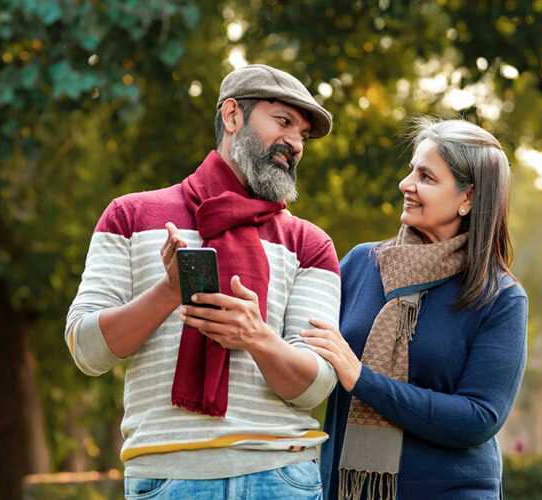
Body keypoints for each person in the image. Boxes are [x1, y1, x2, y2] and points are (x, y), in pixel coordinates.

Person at [65, 64, 340, 499]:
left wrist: (256, 337)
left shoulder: (309, 243)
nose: (295, 143)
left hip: (282, 477)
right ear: (233, 117)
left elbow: (316, 387)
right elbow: (87, 350)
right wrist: (170, 291)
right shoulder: (130, 217)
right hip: (167, 478)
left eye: (302, 135)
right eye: (283, 122)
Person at [302, 118, 528, 500]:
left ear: (468, 198)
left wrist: (363, 380)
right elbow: (306, 358)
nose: (406, 184)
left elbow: (478, 418)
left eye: (426, 176)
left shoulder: (499, 297)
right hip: (343, 490)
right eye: (411, 170)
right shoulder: (360, 264)